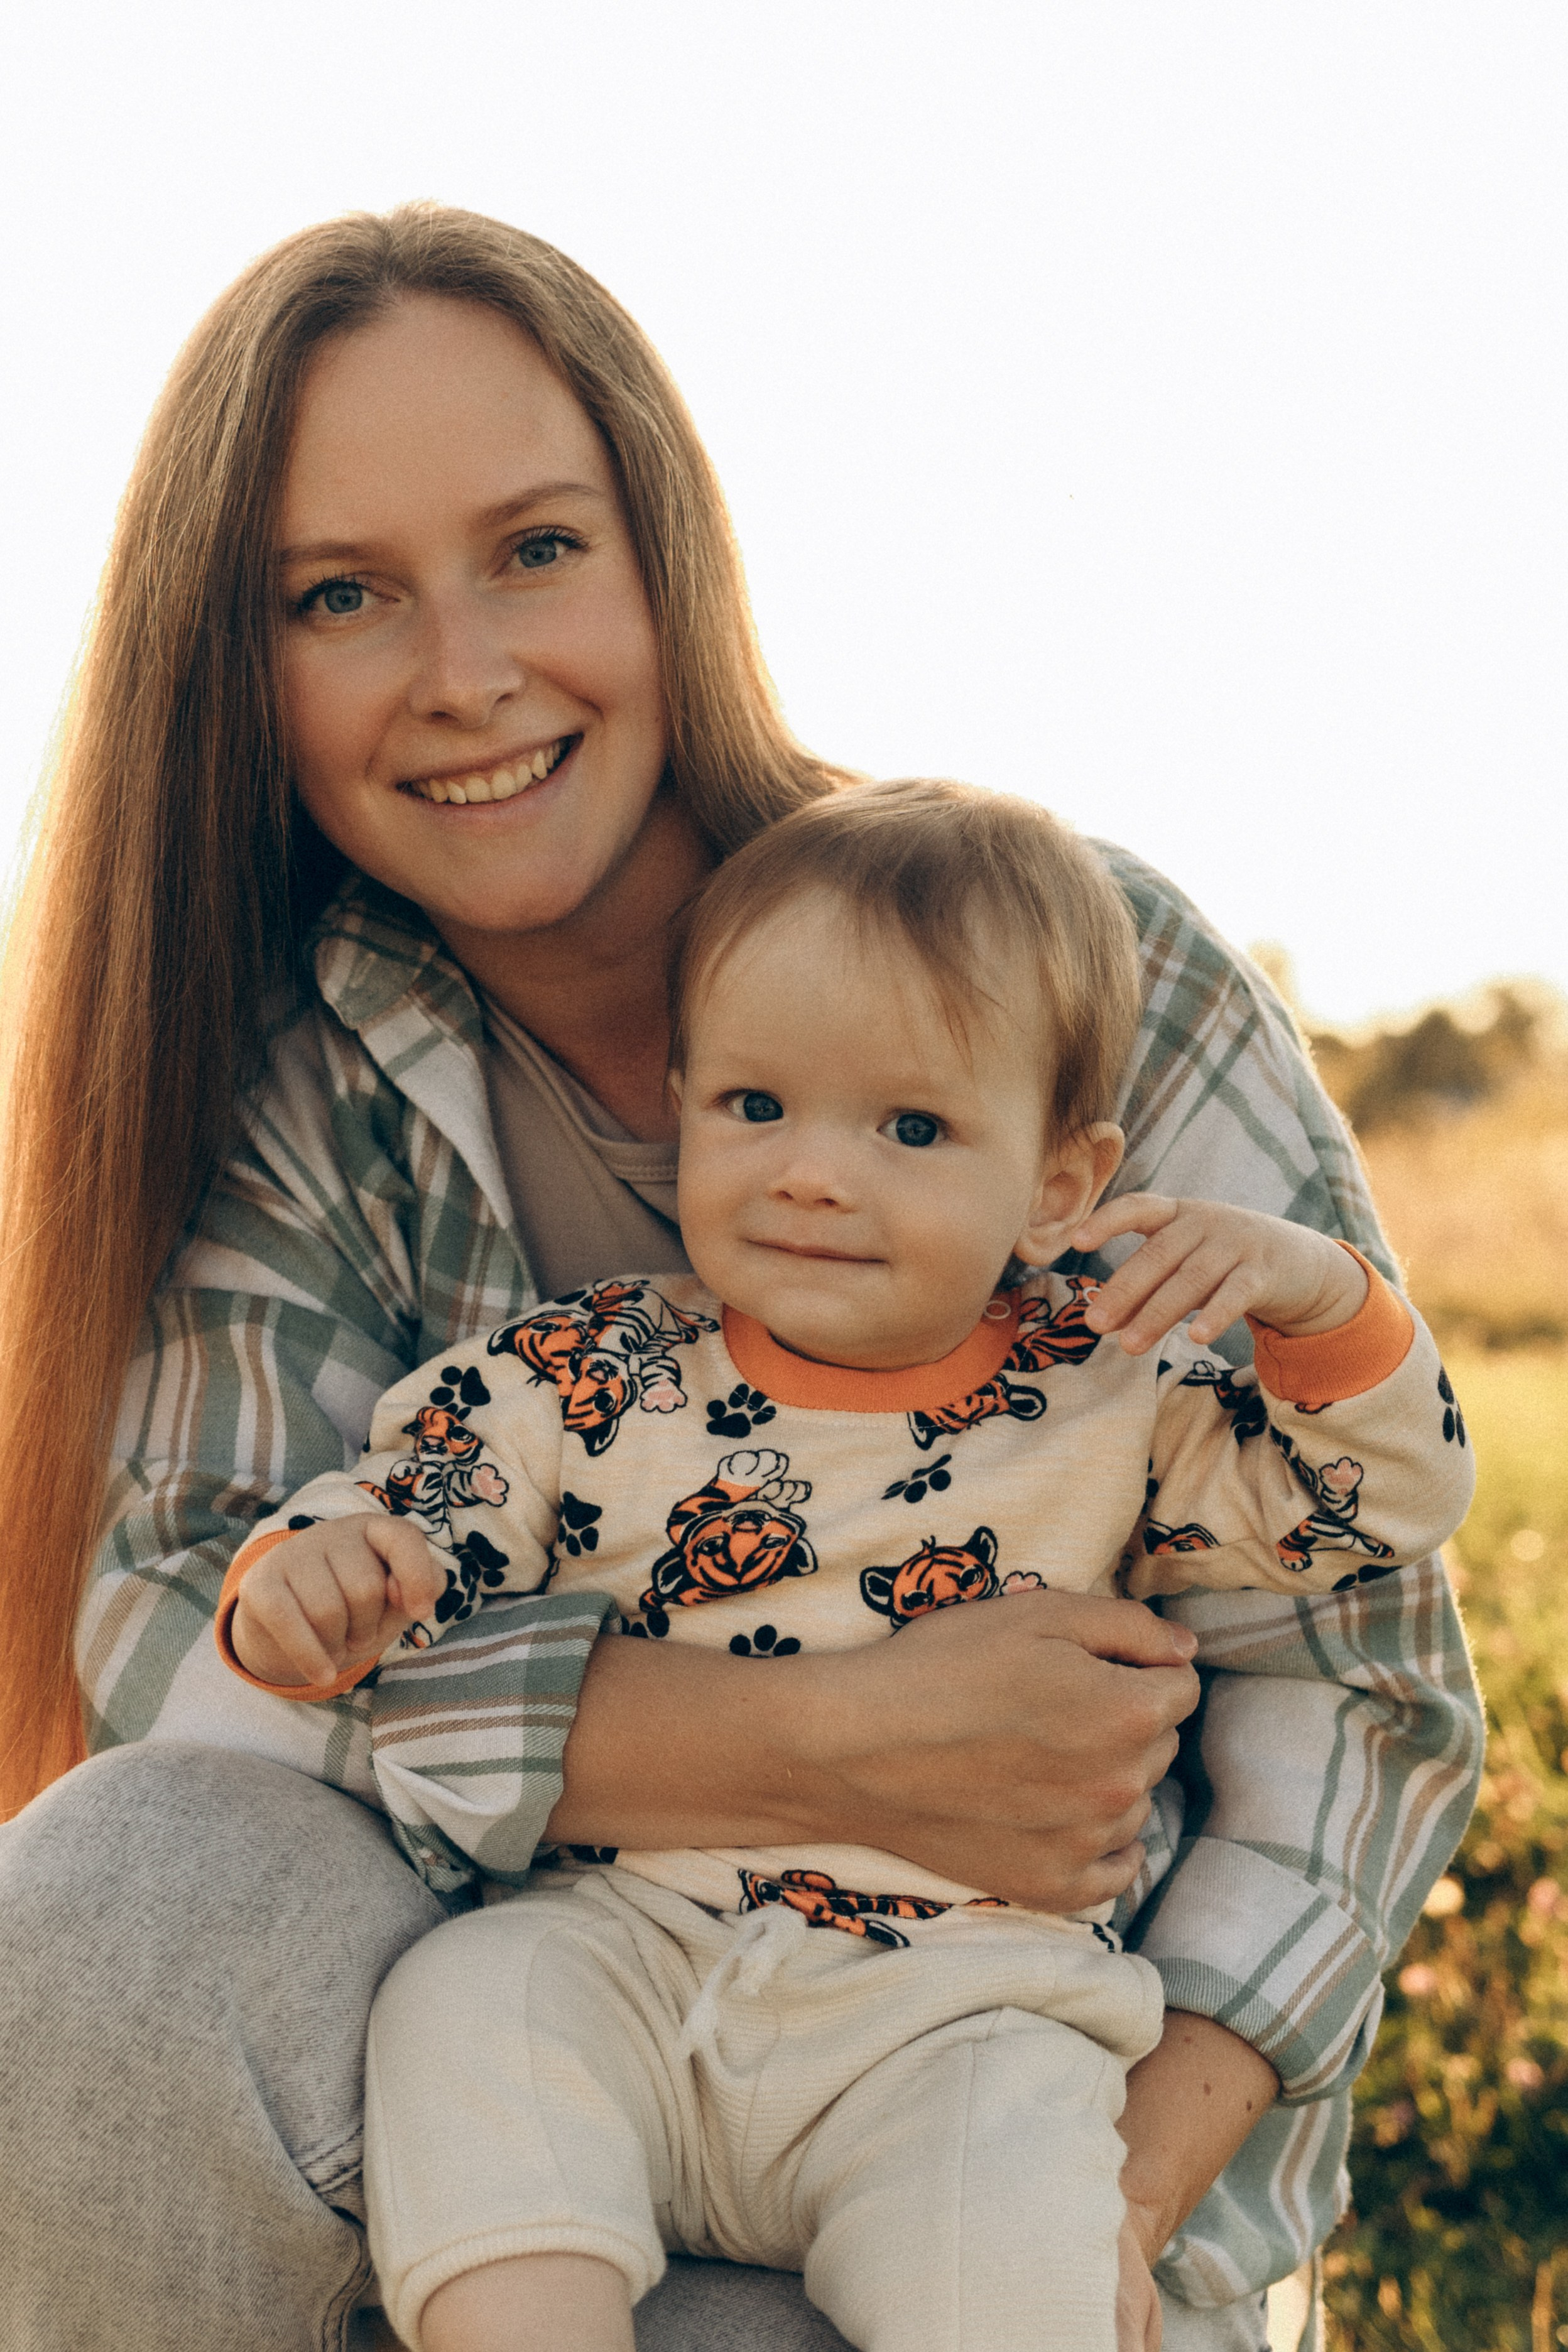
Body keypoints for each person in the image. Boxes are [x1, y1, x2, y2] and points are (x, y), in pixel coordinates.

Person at [0, 204, 1481, 2352]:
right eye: (341, 595)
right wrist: (811, 1743)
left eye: (534, 548)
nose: (466, 674)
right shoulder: (286, 1082)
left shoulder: (1068, 963)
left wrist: (1134, 2186)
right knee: (110, 1901)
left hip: (984, 2074)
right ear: (243, 669)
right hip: (547, 2058)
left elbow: (1354, 1669)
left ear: (662, 557)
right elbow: (175, 1623)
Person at [213, 782, 1476, 2352]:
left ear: (1060, 1185)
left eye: (912, 1128)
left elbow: (1360, 1506)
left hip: (962, 2011)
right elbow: (416, 1505)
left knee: (1020, 2222)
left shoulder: (1116, 1395)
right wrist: (321, 1575)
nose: (812, 1173)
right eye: (756, 1108)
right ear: (683, 1101)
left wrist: (1315, 1294)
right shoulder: (590, 1370)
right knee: (467, 2011)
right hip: (631, 1950)